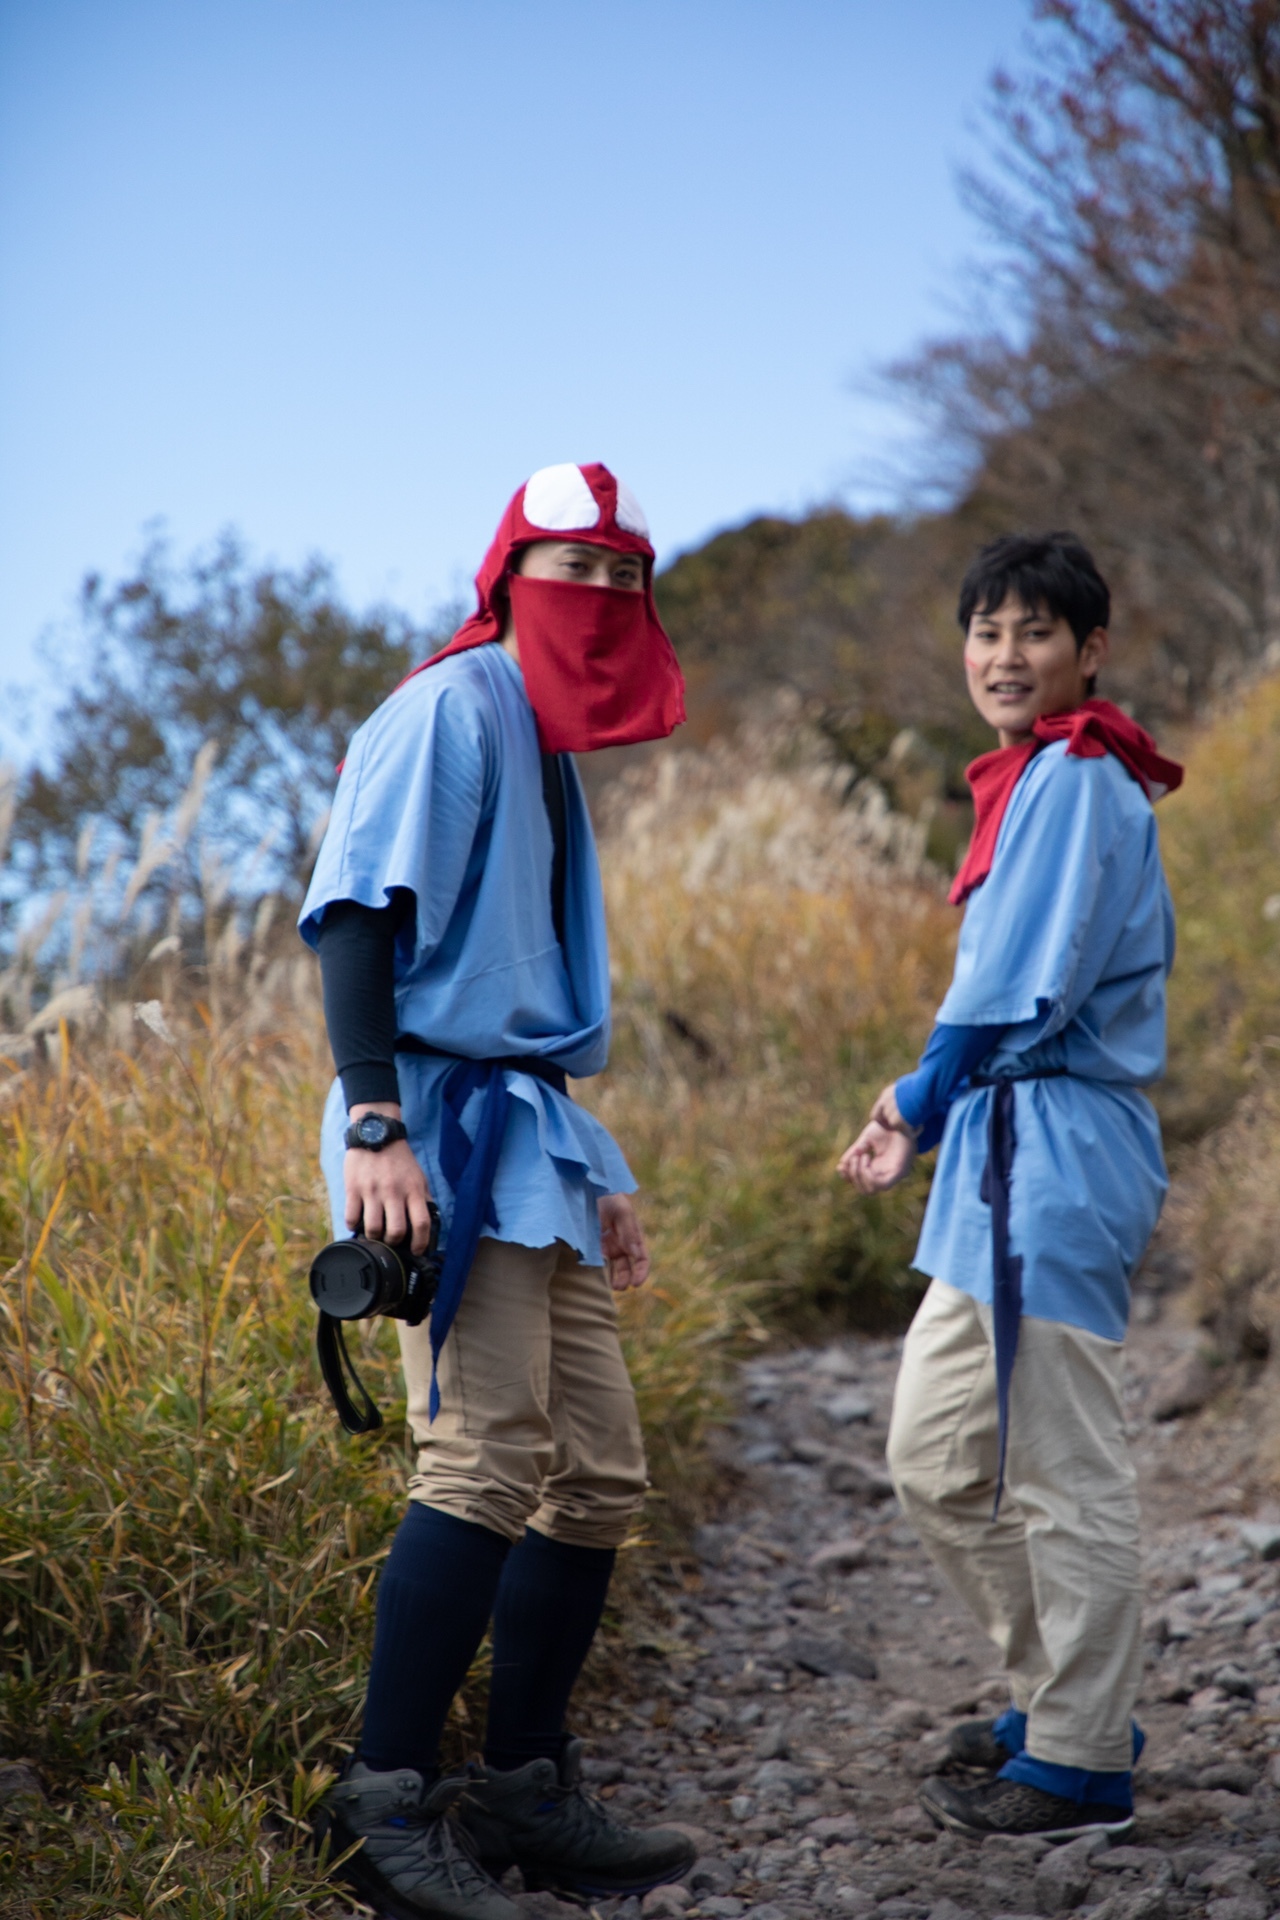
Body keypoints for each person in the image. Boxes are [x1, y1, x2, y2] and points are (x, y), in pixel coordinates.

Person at [298, 462, 696, 1918]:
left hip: (535, 1142)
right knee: (481, 1461)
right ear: (506, 575)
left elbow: (526, 1001)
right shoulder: (450, 710)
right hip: (437, 1130)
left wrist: (601, 1169)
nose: (591, 596)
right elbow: (353, 921)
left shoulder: (542, 740)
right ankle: (379, 1797)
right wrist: (376, 1124)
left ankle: (527, 1791)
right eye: (565, 567)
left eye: (616, 574)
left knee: (594, 1473)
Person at [838, 532, 1183, 1841]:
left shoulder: (1082, 775)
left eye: (1035, 632)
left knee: (1060, 1470)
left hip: (1057, 1147)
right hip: (996, 1151)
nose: (1005, 654)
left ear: (1087, 654)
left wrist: (914, 1101)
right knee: (932, 1458)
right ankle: (1067, 1699)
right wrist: (928, 1103)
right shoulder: (1037, 777)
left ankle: (1085, 1754)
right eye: (987, 631)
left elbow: (1019, 988)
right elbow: (994, 999)